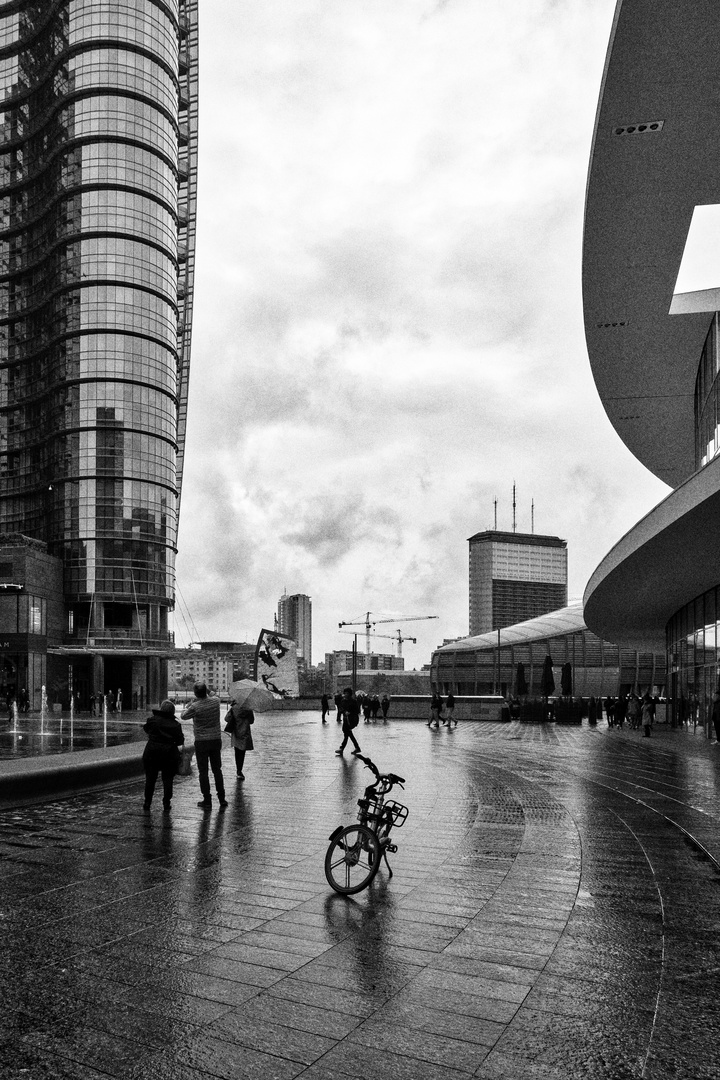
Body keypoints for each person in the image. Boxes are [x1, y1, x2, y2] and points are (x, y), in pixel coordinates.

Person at [182, 683, 227, 809]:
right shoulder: (216, 702)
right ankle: (222, 798)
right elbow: (213, 695)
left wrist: (190, 704)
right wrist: (208, 691)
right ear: (206, 690)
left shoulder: (195, 707)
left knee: (203, 772)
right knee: (217, 770)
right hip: (215, 740)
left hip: (201, 741)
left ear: (196, 694)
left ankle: (207, 800)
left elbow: (183, 716)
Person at [142, 699, 184, 812]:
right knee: (168, 780)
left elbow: (146, 729)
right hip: (169, 754)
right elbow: (180, 741)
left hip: (152, 753)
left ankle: (147, 802)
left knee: (150, 779)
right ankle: (166, 803)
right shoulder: (175, 724)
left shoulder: (152, 721)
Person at [225, 701, 254, 779]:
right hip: (245, 732)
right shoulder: (248, 709)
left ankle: (238, 770)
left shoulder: (234, 708)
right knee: (242, 752)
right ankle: (240, 770)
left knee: (237, 751)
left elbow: (226, 719)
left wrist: (231, 710)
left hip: (236, 732)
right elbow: (251, 721)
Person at [336, 687, 361, 756]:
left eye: (347, 693)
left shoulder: (353, 701)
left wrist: (350, 712)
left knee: (347, 734)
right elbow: (341, 708)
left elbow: (357, 711)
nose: (346, 694)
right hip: (345, 719)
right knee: (348, 734)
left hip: (351, 720)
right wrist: (344, 711)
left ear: (350, 694)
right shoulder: (343, 701)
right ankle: (357, 747)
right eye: (345, 693)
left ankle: (342, 748)